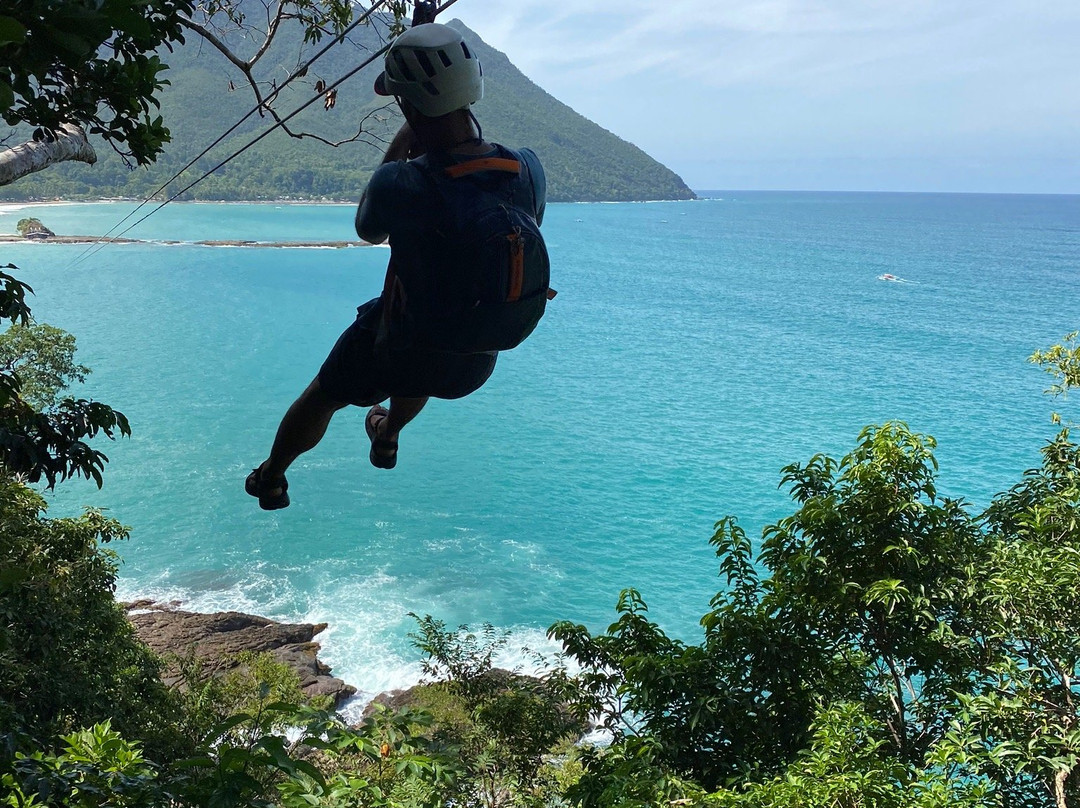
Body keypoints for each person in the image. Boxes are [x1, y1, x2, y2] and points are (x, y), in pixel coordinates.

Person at [246, 22, 547, 510]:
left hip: (401, 347)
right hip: (476, 360)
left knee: (324, 395)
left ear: (406, 105)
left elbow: (369, 229)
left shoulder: (400, 183)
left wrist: (402, 145)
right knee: (430, 344)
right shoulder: (528, 168)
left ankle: (272, 477)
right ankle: (388, 433)